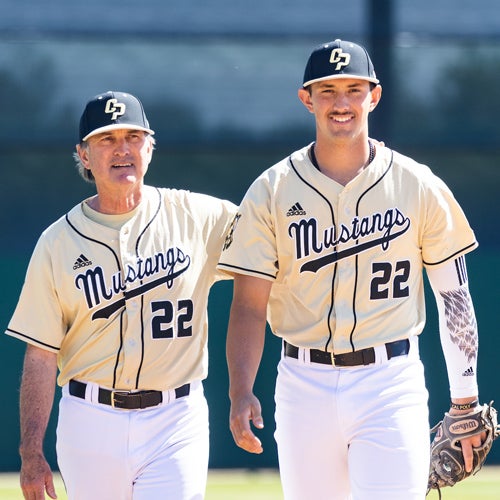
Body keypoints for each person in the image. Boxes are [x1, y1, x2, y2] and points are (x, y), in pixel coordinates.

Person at [217, 39, 484, 499]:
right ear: (307, 99)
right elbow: (247, 305)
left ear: (373, 96)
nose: (341, 103)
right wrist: (240, 390)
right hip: (303, 382)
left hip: (390, 379)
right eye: (328, 90)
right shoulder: (273, 189)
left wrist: (465, 399)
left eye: (353, 89)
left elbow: (454, 296)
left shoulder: (416, 184)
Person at [6, 90, 237, 500]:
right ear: (83, 155)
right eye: (106, 139)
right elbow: (41, 354)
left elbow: (275, 234)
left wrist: (359, 160)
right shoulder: (57, 242)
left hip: (175, 417)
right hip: (90, 419)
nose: (122, 149)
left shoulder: (199, 217)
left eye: (133, 137)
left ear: (150, 147)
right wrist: (30, 451)